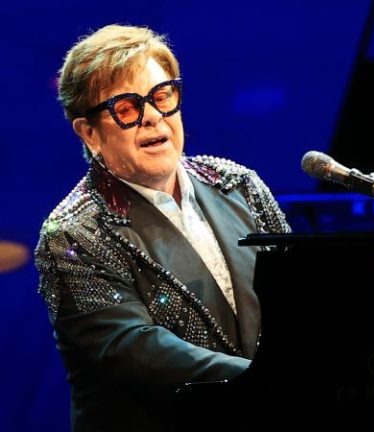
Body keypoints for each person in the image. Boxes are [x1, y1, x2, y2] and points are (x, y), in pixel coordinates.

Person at [34, 25, 290, 432]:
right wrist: (280, 384)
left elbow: (297, 298)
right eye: (127, 107)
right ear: (89, 132)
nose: (153, 116)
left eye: (161, 96)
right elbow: (138, 349)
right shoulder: (72, 233)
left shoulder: (238, 184)